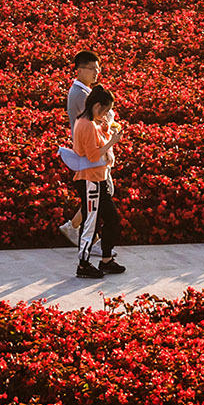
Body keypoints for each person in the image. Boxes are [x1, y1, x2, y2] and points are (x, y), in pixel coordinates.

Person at [72, 83, 125, 279]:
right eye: (105, 111)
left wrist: (106, 131)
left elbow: (96, 146)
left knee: (112, 219)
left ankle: (106, 259)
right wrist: (112, 142)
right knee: (90, 223)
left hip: (97, 179)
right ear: (97, 106)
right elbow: (93, 155)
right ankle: (83, 264)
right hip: (90, 181)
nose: (106, 115)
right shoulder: (86, 125)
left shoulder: (90, 123)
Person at [58, 50, 102, 245]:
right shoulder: (80, 94)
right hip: (88, 150)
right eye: (92, 68)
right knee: (98, 194)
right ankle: (88, 237)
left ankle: (77, 229)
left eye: (98, 68)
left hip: (90, 148)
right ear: (79, 70)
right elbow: (98, 117)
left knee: (99, 194)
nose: (96, 72)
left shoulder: (84, 92)